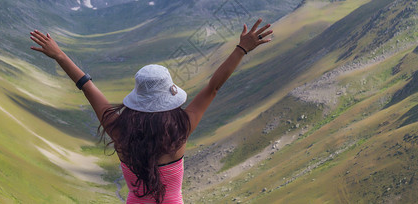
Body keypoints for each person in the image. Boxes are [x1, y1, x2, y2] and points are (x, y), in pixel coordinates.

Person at [30, 18, 272, 203]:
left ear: (137, 98)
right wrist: (242, 49)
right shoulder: (181, 130)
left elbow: (86, 86)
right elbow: (213, 87)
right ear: (170, 96)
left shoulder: (119, 131)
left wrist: (59, 55)